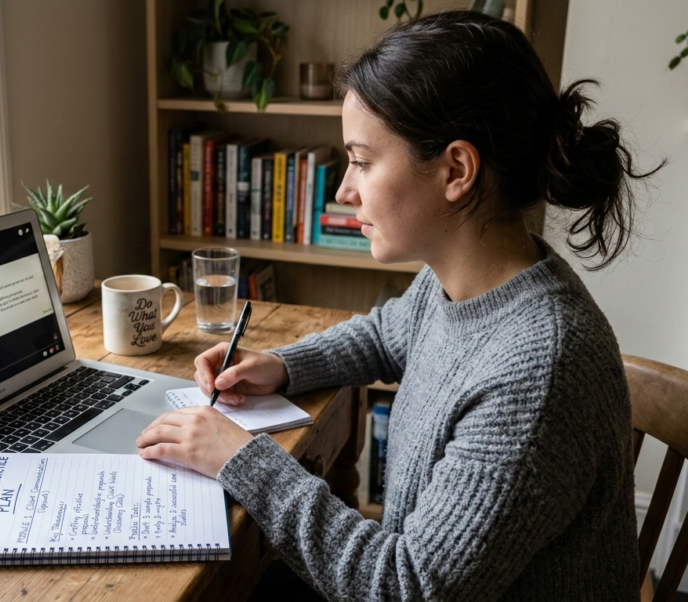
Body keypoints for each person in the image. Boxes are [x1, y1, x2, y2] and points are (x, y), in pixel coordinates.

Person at [136, 11, 657, 601]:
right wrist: (282, 365)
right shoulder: (467, 279)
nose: (343, 191)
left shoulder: (539, 371)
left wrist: (242, 459)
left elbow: (407, 587)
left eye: (362, 161)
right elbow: (388, 334)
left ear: (456, 170)